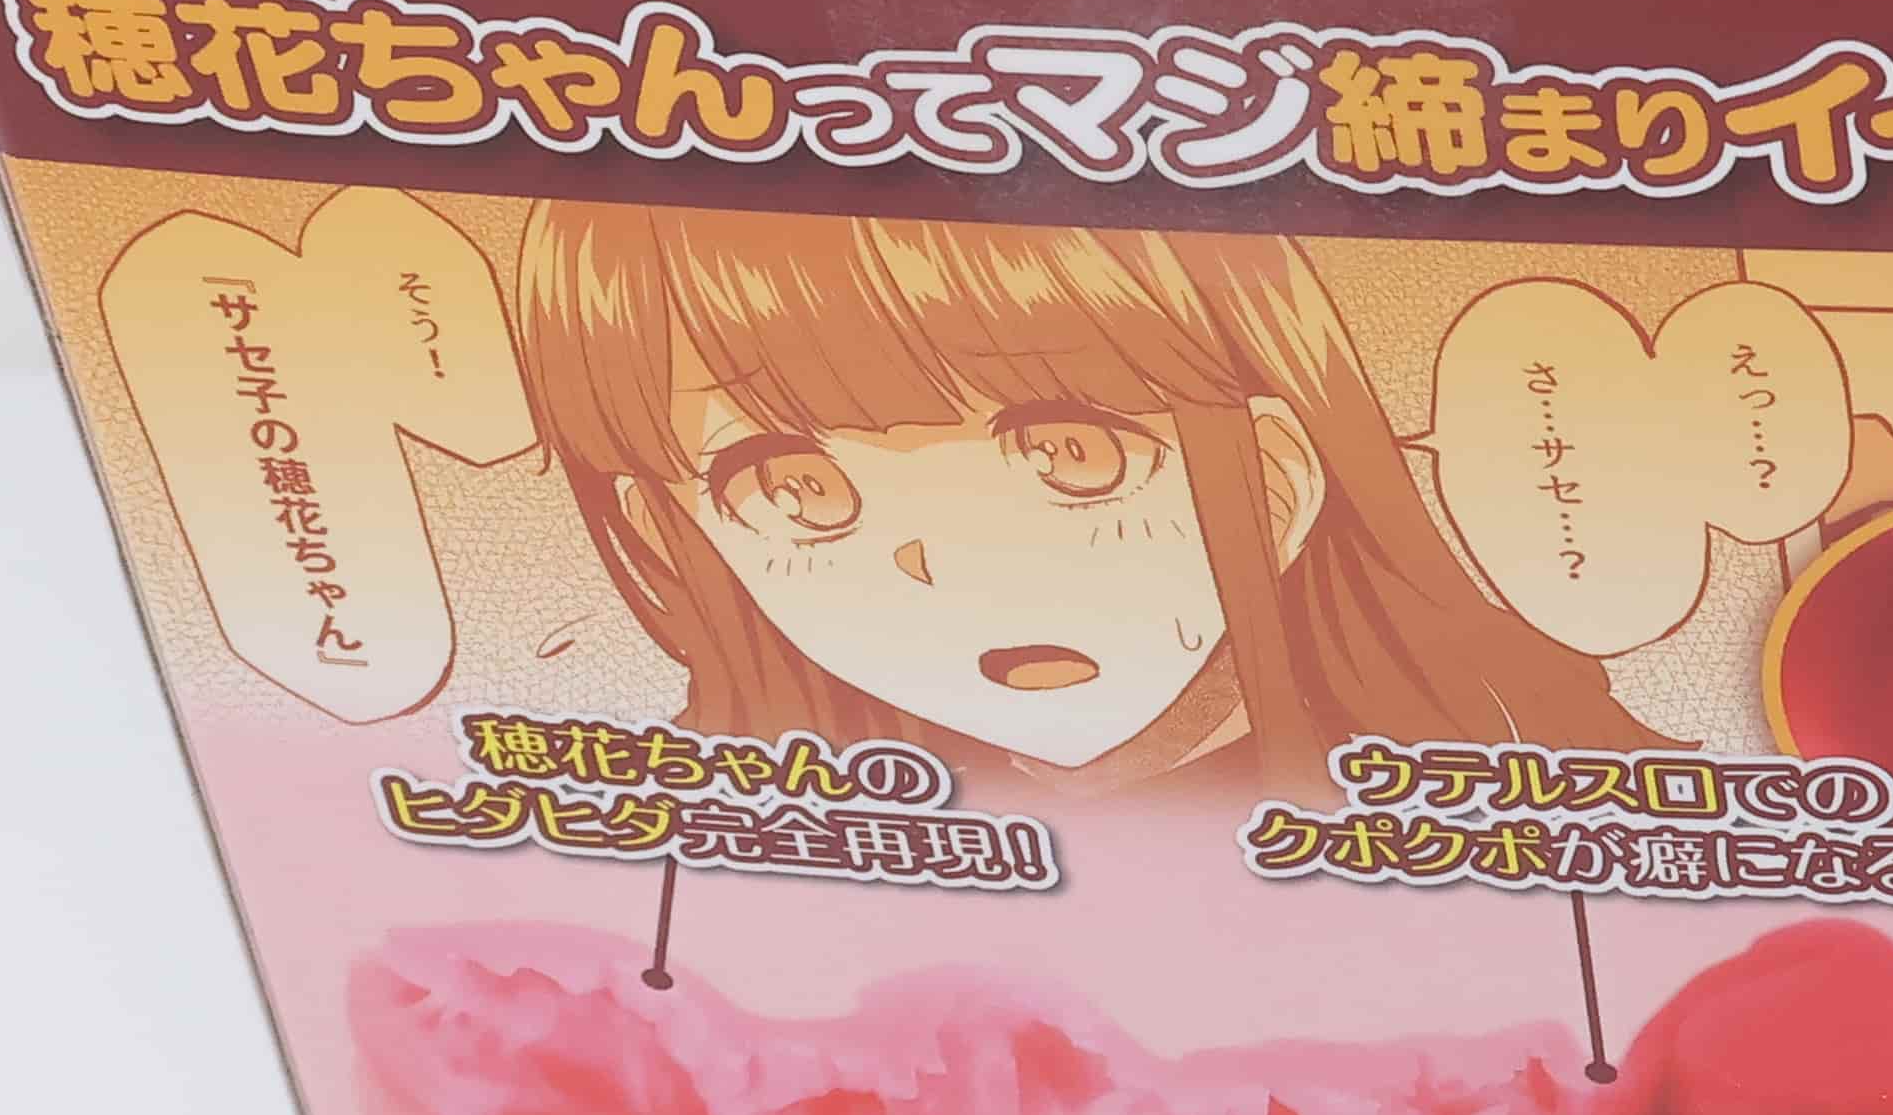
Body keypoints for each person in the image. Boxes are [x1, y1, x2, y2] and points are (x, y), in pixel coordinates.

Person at [506, 209, 1653, 786]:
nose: (948, 564)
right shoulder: (742, 827)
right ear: (683, 533)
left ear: (1279, 475)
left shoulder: (1518, 775)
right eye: (792, 489)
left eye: (1073, 454)